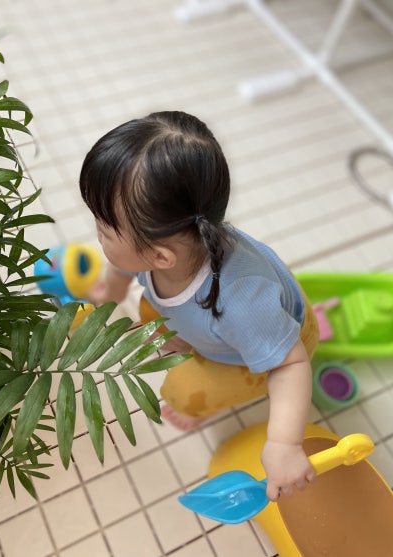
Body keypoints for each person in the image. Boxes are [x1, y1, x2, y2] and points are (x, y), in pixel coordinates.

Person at [78, 110, 320, 501]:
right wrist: (110, 293)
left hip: (271, 345)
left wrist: (284, 444)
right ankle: (192, 337)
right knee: (147, 310)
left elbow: (290, 365)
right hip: (224, 322)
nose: (97, 234)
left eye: (105, 230)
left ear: (159, 258)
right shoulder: (172, 246)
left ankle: (200, 393)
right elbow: (121, 265)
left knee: (182, 392)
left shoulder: (241, 305)